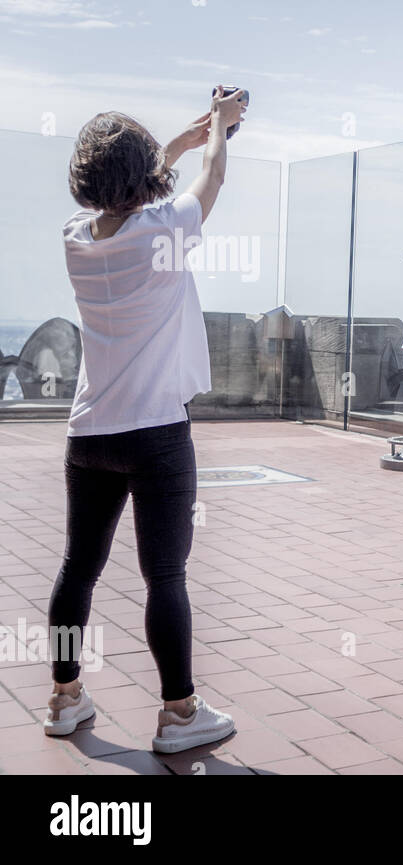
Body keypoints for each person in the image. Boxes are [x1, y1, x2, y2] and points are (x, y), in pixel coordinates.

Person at [44, 87, 247, 753]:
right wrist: (217, 128)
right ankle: (180, 712)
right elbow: (213, 177)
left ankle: (65, 697)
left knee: (79, 568)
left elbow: (130, 185)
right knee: (165, 577)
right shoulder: (166, 232)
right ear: (141, 177)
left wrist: (188, 136)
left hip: (89, 434)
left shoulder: (76, 240)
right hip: (156, 433)